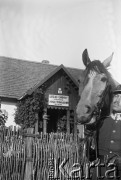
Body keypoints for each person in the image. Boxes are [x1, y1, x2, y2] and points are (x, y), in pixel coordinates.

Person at [92, 85, 121, 179]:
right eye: (116, 96)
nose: (117, 100)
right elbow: (90, 150)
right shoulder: (101, 121)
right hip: (99, 170)